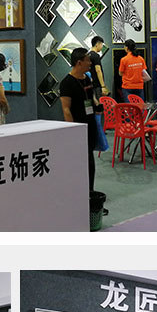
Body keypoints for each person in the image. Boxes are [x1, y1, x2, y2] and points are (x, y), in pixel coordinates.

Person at [60, 46, 98, 199]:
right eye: (88, 60)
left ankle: (90, 191)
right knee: (81, 161)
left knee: (90, 160)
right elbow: (66, 109)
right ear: (79, 62)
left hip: (91, 124)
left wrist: (97, 105)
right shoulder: (67, 83)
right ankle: (79, 193)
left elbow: (91, 97)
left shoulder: (87, 79)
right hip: (78, 126)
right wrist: (73, 130)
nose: (90, 63)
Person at [88, 36, 109, 107]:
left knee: (92, 105)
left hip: (90, 84)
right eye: (101, 45)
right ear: (97, 44)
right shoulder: (96, 56)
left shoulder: (88, 55)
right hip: (97, 85)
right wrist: (103, 86)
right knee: (99, 106)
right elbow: (98, 70)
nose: (102, 47)